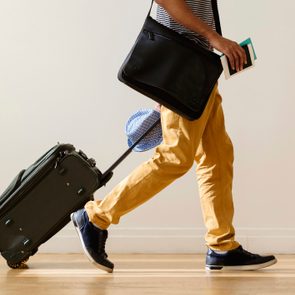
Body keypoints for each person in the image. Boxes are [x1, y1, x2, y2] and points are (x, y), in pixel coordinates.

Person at [71, 0, 277, 273]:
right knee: (175, 157)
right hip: (183, 63)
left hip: (196, 63)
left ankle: (221, 246)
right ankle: (95, 216)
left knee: (217, 156)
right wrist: (214, 38)